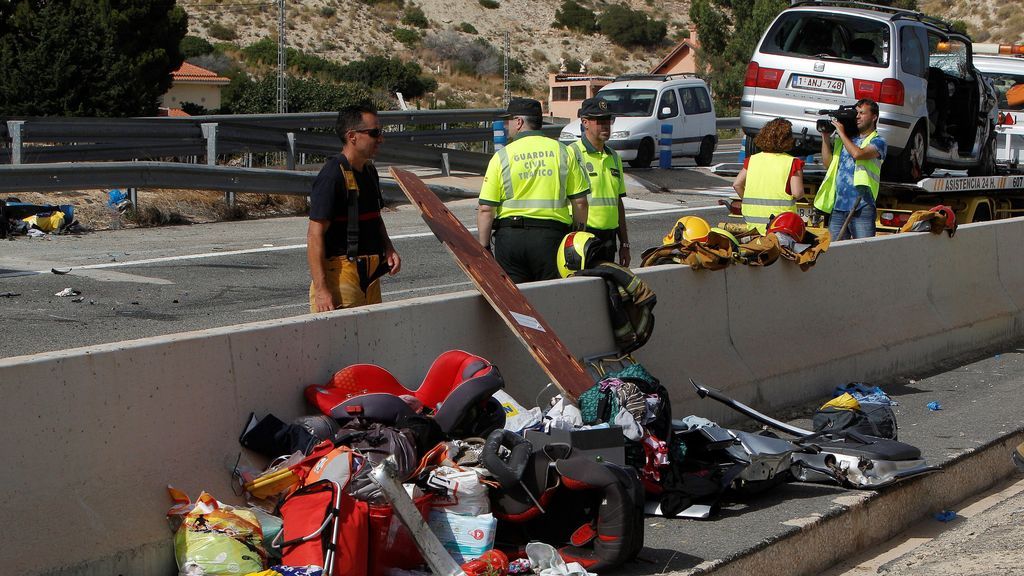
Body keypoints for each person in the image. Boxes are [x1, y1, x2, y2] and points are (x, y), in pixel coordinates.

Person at [477, 97, 589, 283]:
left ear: (519, 122)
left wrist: (485, 247)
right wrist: (576, 236)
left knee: (516, 302)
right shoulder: (564, 152)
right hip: (551, 238)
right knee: (551, 297)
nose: (507, 126)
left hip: (511, 240)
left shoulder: (502, 156)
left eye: (509, 121)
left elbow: (485, 209)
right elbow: (580, 203)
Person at [307, 104, 401, 313]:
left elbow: (374, 217)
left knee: (371, 342)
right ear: (352, 136)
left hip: (370, 275)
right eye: (374, 133)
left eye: (380, 132)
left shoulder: (369, 171)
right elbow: (314, 236)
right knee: (342, 344)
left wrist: (388, 248)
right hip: (340, 277)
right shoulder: (332, 176)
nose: (380, 139)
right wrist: (322, 290)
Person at [569, 97, 630, 266]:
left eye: (608, 120)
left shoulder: (614, 157)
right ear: (585, 122)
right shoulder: (572, 154)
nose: (606, 126)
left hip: (609, 239)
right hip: (583, 237)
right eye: (600, 121)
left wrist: (624, 243)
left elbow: (618, 202)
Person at [817, 98, 886, 240]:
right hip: (839, 205)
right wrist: (825, 138)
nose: (858, 116)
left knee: (863, 251)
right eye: (856, 113)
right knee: (834, 252)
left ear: (874, 117)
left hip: (862, 205)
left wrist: (841, 133)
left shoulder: (878, 141)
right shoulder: (846, 140)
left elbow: (858, 154)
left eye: (862, 113)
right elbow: (828, 164)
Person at [732, 117, 805, 234]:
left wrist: (747, 201)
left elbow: (737, 184)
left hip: (752, 223)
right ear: (787, 139)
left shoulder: (752, 160)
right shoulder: (792, 162)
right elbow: (798, 193)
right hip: (780, 224)